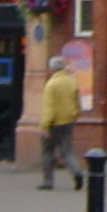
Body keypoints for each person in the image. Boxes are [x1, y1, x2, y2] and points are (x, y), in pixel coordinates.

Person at [38, 56, 82, 190]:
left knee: (47, 152)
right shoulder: (72, 81)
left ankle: (48, 181)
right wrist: (75, 115)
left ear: (52, 68)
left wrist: (44, 126)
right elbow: (77, 102)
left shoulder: (51, 84)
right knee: (67, 151)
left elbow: (49, 107)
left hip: (53, 123)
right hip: (68, 121)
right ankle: (77, 172)